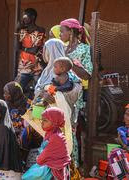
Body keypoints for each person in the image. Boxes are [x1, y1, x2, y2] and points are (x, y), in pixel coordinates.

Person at [60, 18, 93, 168]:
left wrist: (70, 64)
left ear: (71, 32)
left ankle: (73, 166)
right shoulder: (62, 48)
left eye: (62, 31)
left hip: (75, 96)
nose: (60, 34)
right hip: (60, 94)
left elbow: (87, 74)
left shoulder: (84, 49)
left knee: (73, 131)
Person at [22, 107, 71, 180]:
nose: (42, 122)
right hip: (50, 168)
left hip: (52, 172)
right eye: (42, 120)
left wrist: (38, 159)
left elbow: (41, 158)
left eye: (45, 120)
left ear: (54, 122)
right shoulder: (51, 134)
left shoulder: (56, 137)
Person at [16, 8, 46, 91]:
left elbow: (35, 49)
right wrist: (17, 30)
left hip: (36, 65)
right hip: (23, 65)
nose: (23, 19)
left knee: (38, 90)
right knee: (18, 89)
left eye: (25, 16)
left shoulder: (40, 30)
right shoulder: (22, 31)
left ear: (32, 17)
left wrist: (23, 48)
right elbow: (17, 47)